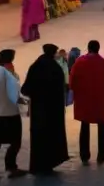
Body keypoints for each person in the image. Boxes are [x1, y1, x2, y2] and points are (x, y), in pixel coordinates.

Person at [20, 43, 70, 175]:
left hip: (38, 110)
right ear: (53, 53)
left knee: (38, 137)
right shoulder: (56, 69)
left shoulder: (35, 67)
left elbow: (25, 89)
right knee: (52, 136)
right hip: (53, 111)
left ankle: (37, 165)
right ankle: (50, 163)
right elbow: (62, 90)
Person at [69, 40, 104, 164]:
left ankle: (84, 156)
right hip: (101, 102)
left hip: (84, 101)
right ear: (98, 49)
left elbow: (72, 82)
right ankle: (101, 156)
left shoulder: (79, 63)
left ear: (88, 48)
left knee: (84, 127)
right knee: (102, 128)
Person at [0, 49, 27, 180]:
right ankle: (11, 167)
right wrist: (27, 102)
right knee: (15, 141)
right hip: (9, 113)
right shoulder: (7, 74)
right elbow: (14, 94)